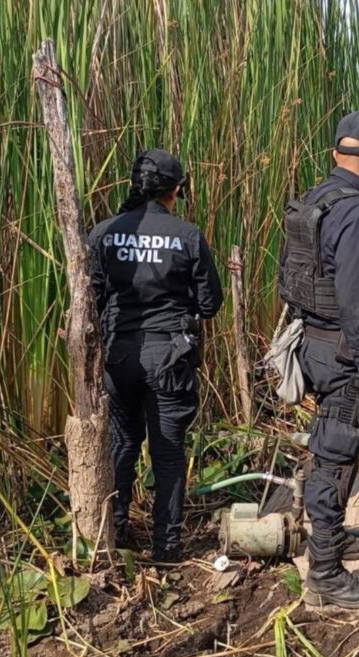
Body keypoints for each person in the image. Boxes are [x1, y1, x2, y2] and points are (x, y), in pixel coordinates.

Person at [279, 111, 359, 609]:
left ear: (338, 153)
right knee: (335, 459)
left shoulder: (313, 201)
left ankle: (330, 542)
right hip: (344, 352)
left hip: (314, 343)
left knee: (333, 451)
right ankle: (326, 577)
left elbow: (291, 280)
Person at [88, 148, 223, 562]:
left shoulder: (103, 233)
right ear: (176, 190)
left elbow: (89, 297)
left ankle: (115, 529)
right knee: (167, 451)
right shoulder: (186, 236)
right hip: (168, 357)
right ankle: (167, 547)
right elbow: (210, 303)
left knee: (123, 442)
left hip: (119, 356)